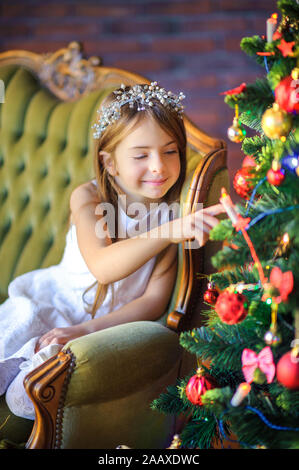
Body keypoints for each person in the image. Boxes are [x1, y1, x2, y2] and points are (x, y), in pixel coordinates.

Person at [0, 82, 224, 420]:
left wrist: (86, 331)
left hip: (101, 330)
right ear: (110, 163)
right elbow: (103, 268)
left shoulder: (169, 219)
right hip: (50, 305)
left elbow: (152, 302)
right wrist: (170, 231)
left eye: (170, 150)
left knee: (30, 393)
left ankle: (33, 367)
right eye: (141, 155)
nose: (159, 167)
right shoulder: (87, 198)